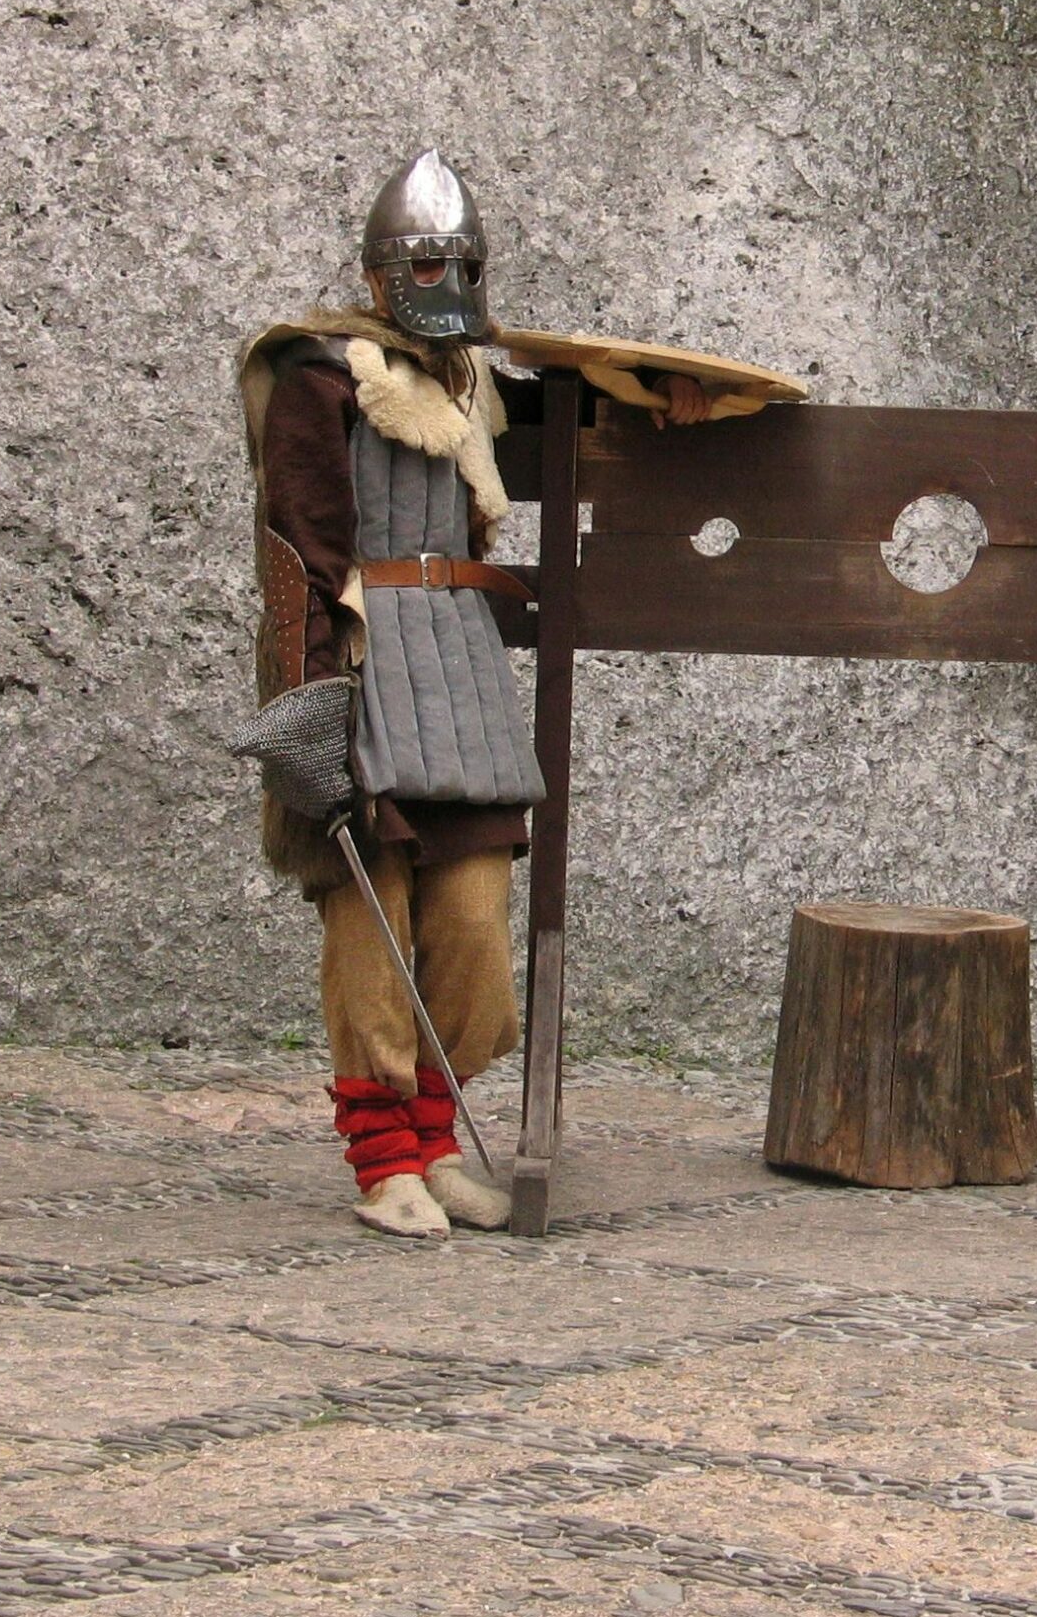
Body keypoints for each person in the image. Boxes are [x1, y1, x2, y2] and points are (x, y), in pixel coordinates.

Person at [232, 151, 710, 1239]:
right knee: (373, 921)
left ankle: (438, 1137)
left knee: (472, 927)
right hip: (360, 656)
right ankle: (384, 1158)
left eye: (462, 258)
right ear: (383, 266)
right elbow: (296, 541)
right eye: (426, 258)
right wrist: (312, 700)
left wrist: (667, 403)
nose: (445, 275)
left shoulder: (470, 381)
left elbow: (579, 419)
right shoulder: (318, 367)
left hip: (459, 665)